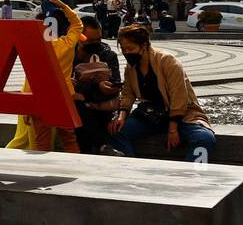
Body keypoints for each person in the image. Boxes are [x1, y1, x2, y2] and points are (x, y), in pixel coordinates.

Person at [109, 24, 216, 163]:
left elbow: (179, 96)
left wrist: (173, 129)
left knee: (204, 139)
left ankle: (192, 175)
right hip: (151, 114)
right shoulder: (131, 67)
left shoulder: (167, 61)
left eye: (130, 48)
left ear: (144, 45)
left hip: (182, 115)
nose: (126, 53)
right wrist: (121, 117)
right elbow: (128, 93)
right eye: (123, 49)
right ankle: (131, 170)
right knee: (117, 133)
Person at [7, 0, 82, 153]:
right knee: (68, 137)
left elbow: (31, 78)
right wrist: (64, 6)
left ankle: (41, 169)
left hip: (42, 97)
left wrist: (27, 107)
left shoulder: (36, 49)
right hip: (63, 97)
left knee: (41, 139)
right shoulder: (67, 44)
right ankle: (76, 164)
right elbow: (78, 24)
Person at [70, 16, 122, 155]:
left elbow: (115, 83)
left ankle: (100, 146)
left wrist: (102, 87)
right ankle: (102, 145)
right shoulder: (68, 55)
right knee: (78, 105)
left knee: (83, 108)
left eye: (98, 39)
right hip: (78, 106)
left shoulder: (108, 55)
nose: (96, 43)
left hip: (101, 104)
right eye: (91, 41)